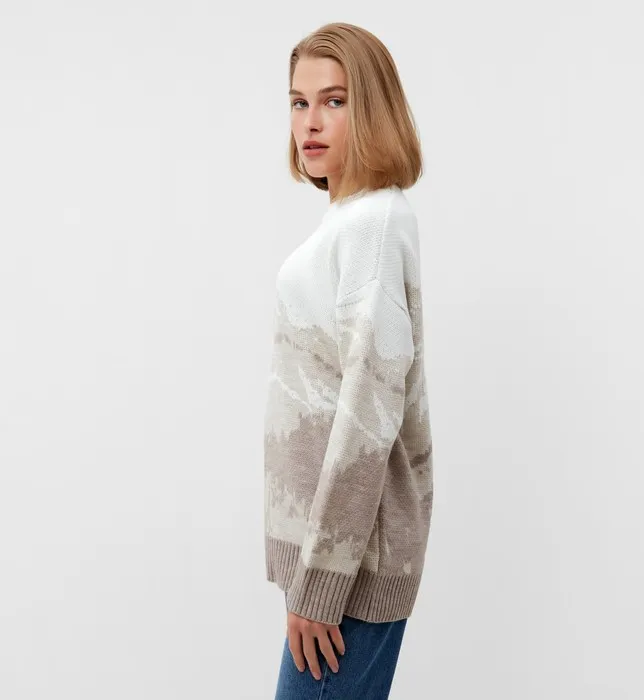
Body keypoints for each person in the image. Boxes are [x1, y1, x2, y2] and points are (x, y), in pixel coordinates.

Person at [263, 21, 434, 699]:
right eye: (299, 101)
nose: (310, 121)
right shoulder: (350, 220)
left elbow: (369, 412)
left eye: (334, 101)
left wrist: (322, 583)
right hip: (332, 562)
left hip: (348, 570)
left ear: (374, 109)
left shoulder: (373, 226)